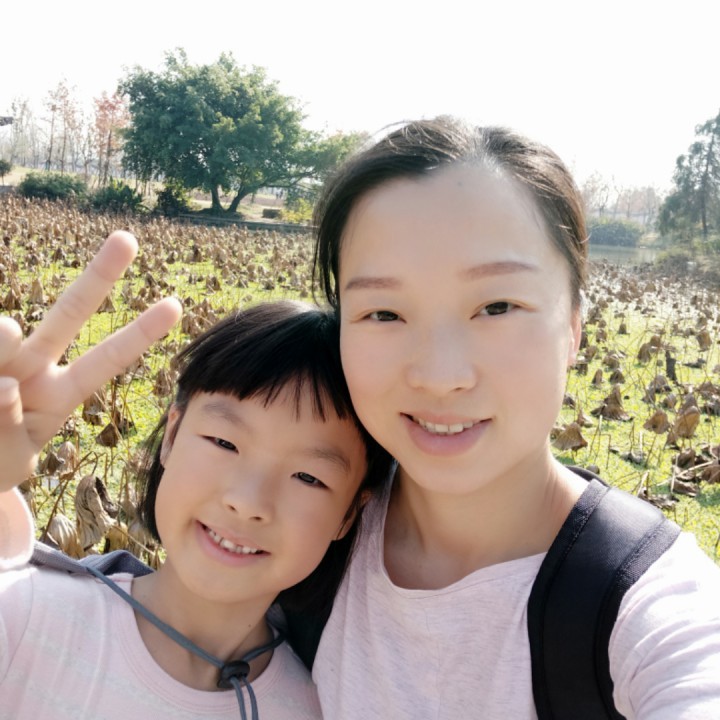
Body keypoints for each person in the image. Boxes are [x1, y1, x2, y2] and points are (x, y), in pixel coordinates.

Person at [307, 118, 720, 719]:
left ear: (573, 326)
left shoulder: (650, 607)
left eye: (497, 306)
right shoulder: (302, 534)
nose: (440, 376)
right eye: (384, 313)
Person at [0, 232, 391, 720]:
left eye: (308, 477)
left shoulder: (322, 706)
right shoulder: (24, 614)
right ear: (171, 434)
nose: (247, 501)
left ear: (350, 513)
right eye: (225, 443)